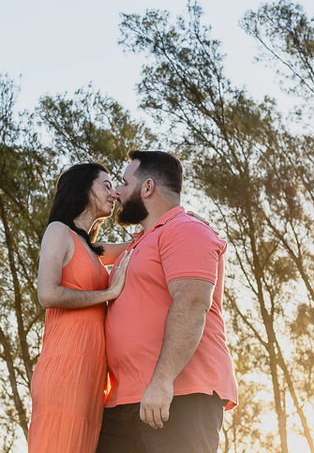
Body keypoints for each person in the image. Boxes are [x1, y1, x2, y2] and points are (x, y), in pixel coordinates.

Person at [96, 150, 238, 453]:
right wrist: (60, 235)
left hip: (177, 394)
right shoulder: (140, 242)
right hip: (124, 400)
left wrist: (162, 382)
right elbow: (90, 251)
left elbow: (191, 305)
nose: (118, 192)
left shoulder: (186, 230)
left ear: (147, 188)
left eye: (123, 183)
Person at [29, 162, 132, 453]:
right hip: (65, 367)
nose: (114, 194)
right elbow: (48, 294)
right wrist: (108, 294)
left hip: (92, 374)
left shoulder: (92, 250)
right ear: (84, 189)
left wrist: (179, 219)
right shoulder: (58, 231)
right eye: (107, 185)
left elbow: (136, 245)